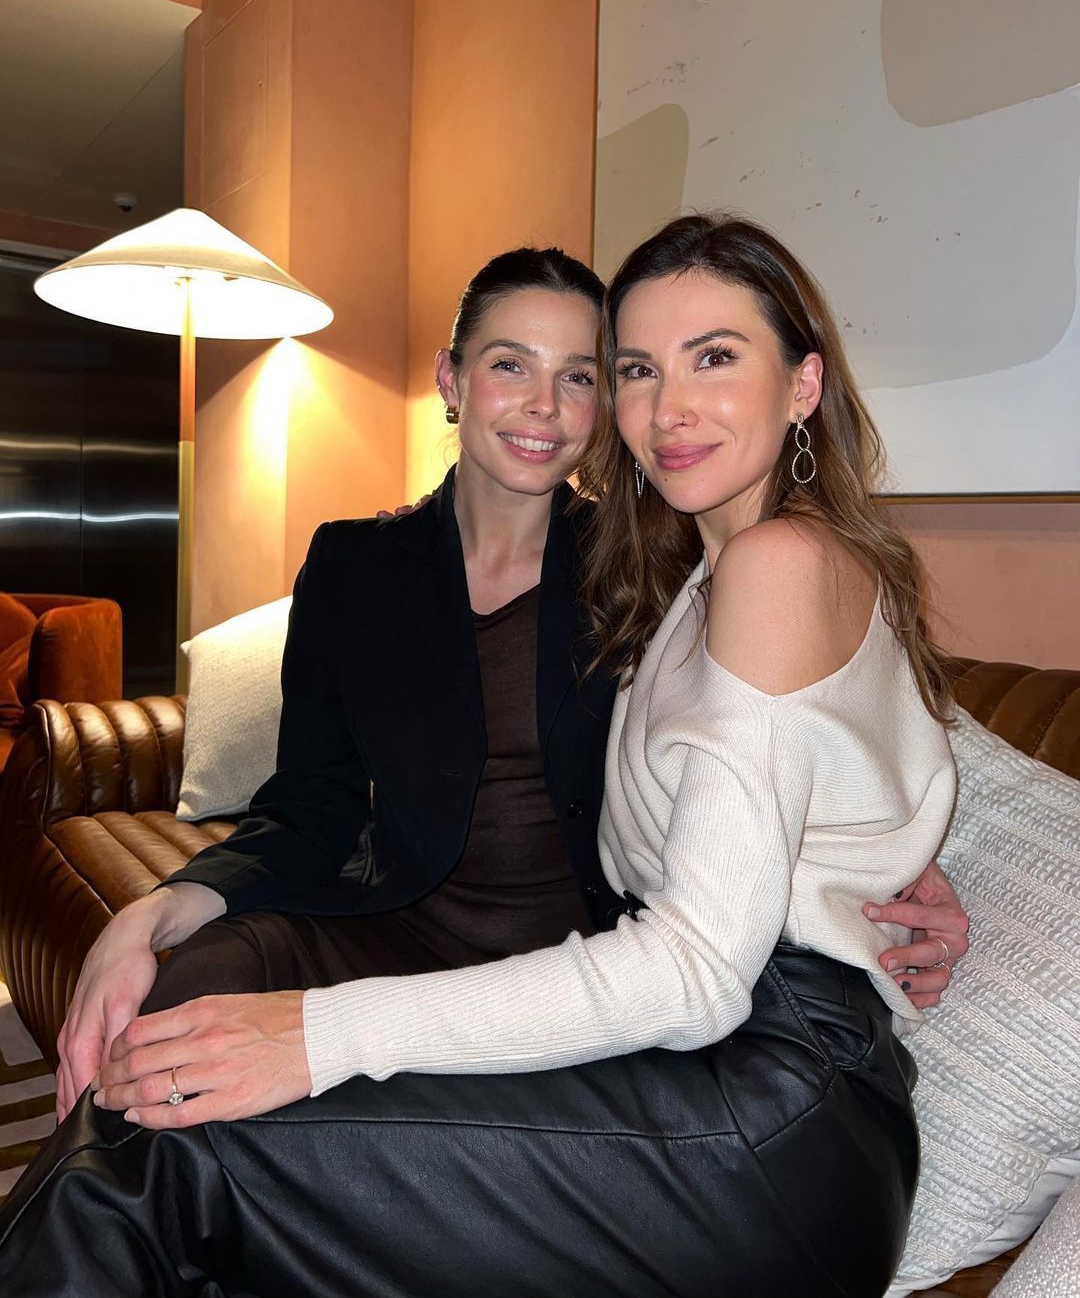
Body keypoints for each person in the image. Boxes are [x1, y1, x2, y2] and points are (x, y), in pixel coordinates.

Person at [0, 225, 967, 1298]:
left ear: (804, 383)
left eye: (711, 358)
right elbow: (826, 727)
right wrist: (163, 911)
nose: (667, 407)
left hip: (756, 1084)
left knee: (175, 1150)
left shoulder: (701, 563)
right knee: (172, 1076)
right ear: (452, 380)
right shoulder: (689, 569)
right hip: (705, 1048)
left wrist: (911, 866)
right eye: (641, 369)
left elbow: (708, 941)